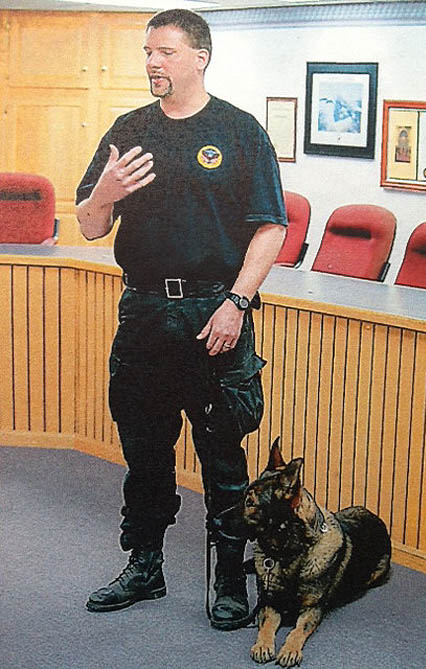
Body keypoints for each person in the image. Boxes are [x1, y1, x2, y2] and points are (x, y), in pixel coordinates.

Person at [75, 9, 286, 631]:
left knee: (222, 454)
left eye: (164, 52)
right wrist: (106, 192)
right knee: (144, 449)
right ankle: (145, 566)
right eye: (148, 52)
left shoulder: (239, 131)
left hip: (214, 310)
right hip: (144, 311)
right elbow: (89, 224)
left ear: (200, 57)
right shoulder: (130, 129)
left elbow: (271, 227)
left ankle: (229, 579)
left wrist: (237, 303)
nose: (152, 63)